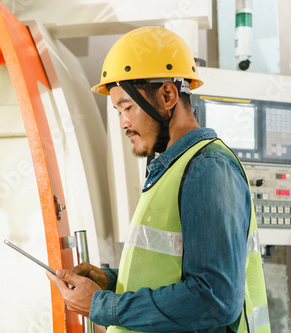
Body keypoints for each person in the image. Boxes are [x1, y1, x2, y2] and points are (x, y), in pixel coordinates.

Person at [46, 26, 270, 333]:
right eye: (117, 110)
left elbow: (214, 299)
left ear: (167, 96)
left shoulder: (208, 168)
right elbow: (172, 274)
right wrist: (110, 281)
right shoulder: (173, 169)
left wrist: (103, 305)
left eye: (127, 106)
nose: (123, 122)